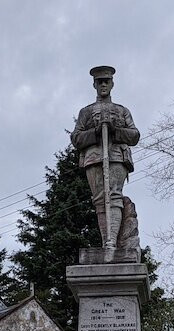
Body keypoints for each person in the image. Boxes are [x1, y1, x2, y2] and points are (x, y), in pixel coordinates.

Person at [70, 65, 141, 250]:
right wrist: (95, 132)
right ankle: (106, 241)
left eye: (106, 81)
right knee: (100, 199)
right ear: (94, 85)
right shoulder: (85, 112)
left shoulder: (122, 110)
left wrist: (115, 131)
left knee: (114, 196)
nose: (103, 85)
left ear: (112, 84)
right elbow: (76, 138)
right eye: (99, 82)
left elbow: (134, 135)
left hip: (116, 157)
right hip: (94, 158)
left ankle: (112, 241)